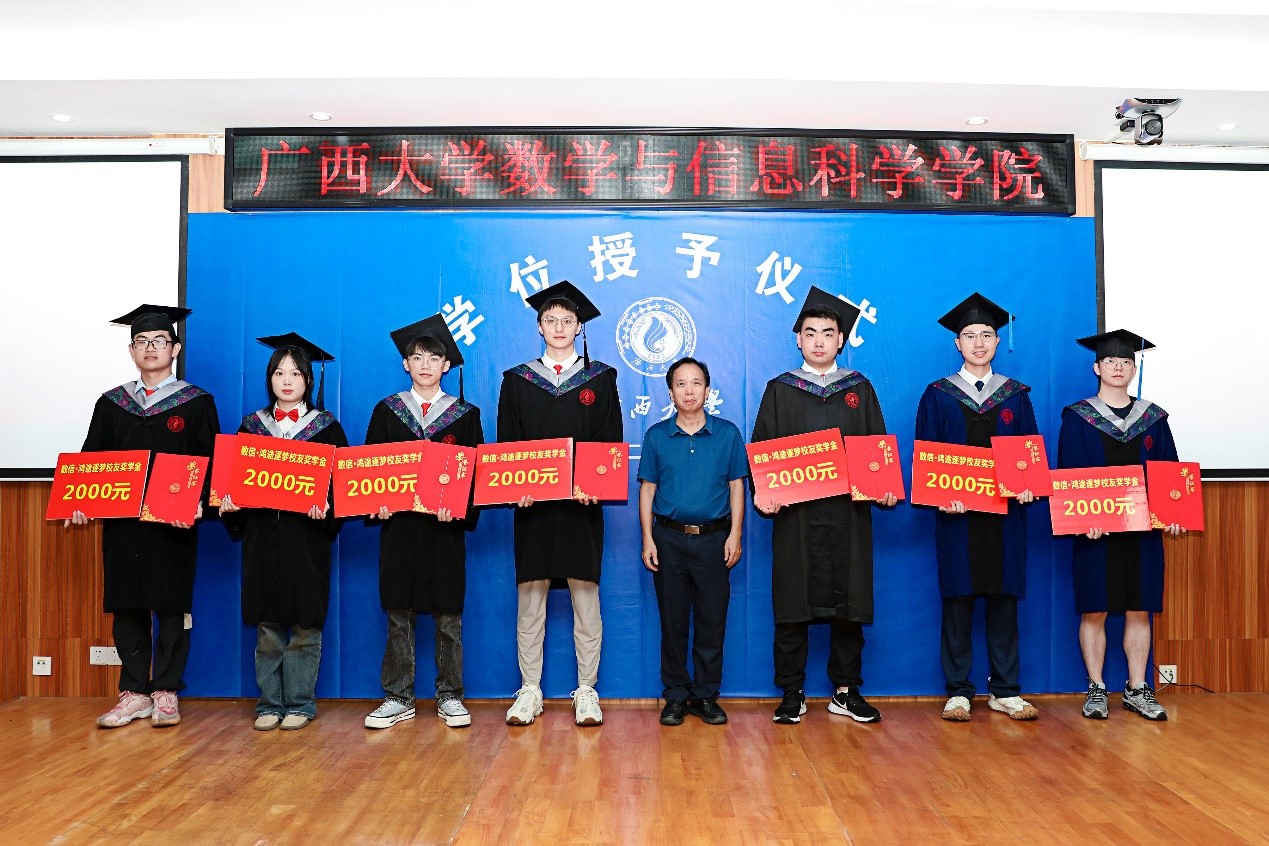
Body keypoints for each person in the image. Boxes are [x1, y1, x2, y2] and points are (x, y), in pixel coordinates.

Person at [67, 304, 220, 729]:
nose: (150, 348)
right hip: (123, 525)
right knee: (127, 603)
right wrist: (80, 500)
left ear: (175, 349)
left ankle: (166, 690)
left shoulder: (196, 403)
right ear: (132, 351)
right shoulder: (112, 404)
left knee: (171, 605)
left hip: (173, 524)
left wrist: (198, 503)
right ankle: (134, 692)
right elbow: (90, 463)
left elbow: (209, 463)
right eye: (142, 342)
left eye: (159, 341)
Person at [751, 286, 896, 725]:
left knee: (849, 600)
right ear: (798, 339)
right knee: (793, 599)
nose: (818, 341)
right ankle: (791, 691)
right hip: (796, 517)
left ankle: (846, 691)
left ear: (841, 340)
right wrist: (764, 492)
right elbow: (762, 453)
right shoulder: (780, 390)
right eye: (810, 332)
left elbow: (876, 450)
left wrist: (885, 487)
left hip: (848, 515)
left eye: (828, 333)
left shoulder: (859, 389)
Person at [498, 281, 623, 727]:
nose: (558, 327)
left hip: (580, 506)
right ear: (538, 326)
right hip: (533, 507)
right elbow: (508, 447)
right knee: (530, 599)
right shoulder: (517, 381)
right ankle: (530, 689)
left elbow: (609, 443)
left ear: (579, 327)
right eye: (550, 320)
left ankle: (587, 690)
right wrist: (514, 486)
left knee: (585, 597)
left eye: (567, 320)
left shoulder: (600, 379)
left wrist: (597, 485)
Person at [915, 293, 1039, 722]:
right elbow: (926, 459)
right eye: (970, 335)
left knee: (1004, 601)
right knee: (958, 600)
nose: (979, 342)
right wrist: (939, 495)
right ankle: (958, 692)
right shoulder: (938, 395)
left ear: (998, 341)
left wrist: (1028, 488)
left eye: (987, 334)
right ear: (957, 343)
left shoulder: (1016, 396)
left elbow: (1030, 455)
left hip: (1006, 516)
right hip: (957, 516)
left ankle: (1005, 690)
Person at [219, 333, 347, 731]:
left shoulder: (327, 428)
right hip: (263, 539)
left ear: (308, 379)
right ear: (269, 379)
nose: (287, 380)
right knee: (268, 628)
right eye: (279, 373)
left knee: (305, 627)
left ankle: (301, 703)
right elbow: (233, 483)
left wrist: (327, 508)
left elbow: (343, 489)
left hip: (306, 540)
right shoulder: (251, 427)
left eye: (295, 373)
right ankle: (269, 704)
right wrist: (229, 506)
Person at [1058, 329, 1185, 721]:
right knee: (1095, 609)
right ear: (1097, 367)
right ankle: (1097, 687)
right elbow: (1069, 475)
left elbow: (1169, 474)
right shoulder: (1078, 417)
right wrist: (1084, 521)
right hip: (1095, 532)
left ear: (1134, 369)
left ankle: (1137, 687)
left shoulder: (1153, 419)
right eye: (1110, 361)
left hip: (1142, 532)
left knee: (1139, 609)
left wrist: (1175, 515)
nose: (1118, 367)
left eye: (1126, 361)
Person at [363, 315, 483, 730]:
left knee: (448, 615)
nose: (426, 365)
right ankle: (399, 696)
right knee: (400, 612)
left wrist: (461, 507)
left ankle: (450, 695)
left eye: (434, 358)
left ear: (446, 365)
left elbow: (475, 475)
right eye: (418, 357)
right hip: (399, 528)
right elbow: (370, 469)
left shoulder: (464, 415)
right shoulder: (387, 411)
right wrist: (375, 505)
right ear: (406, 364)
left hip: (444, 529)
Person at [638, 357, 748, 726]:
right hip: (668, 539)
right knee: (672, 622)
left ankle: (705, 695)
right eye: (681, 384)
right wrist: (647, 538)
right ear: (670, 392)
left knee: (711, 620)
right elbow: (647, 490)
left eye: (696, 383)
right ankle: (675, 695)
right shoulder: (657, 436)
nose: (689, 390)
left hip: (715, 540)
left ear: (707, 390)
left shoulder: (727, 434)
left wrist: (735, 533)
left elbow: (737, 487)